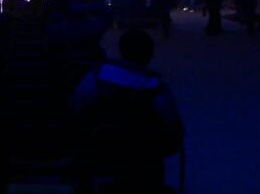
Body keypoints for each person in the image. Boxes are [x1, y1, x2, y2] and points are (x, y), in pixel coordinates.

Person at [71, 28, 184, 192]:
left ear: (121, 50)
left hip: (98, 151)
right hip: (144, 159)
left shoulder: (96, 77)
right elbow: (172, 129)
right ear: (149, 55)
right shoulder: (157, 89)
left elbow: (78, 106)